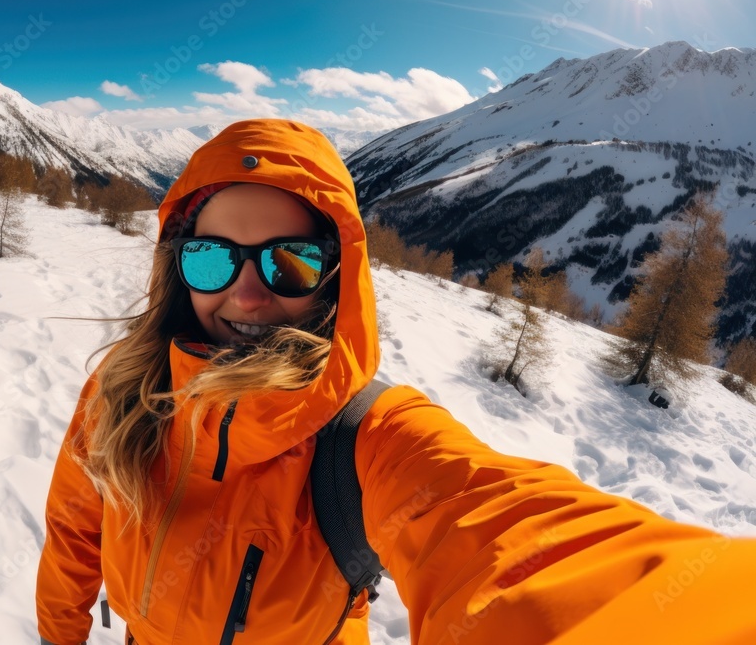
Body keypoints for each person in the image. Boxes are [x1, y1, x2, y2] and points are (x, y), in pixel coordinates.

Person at [37, 119, 756, 645]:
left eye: (289, 263)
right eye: (210, 260)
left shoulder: (368, 438)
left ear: (335, 278)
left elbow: (524, 548)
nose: (247, 296)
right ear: (174, 267)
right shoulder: (122, 390)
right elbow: (75, 531)